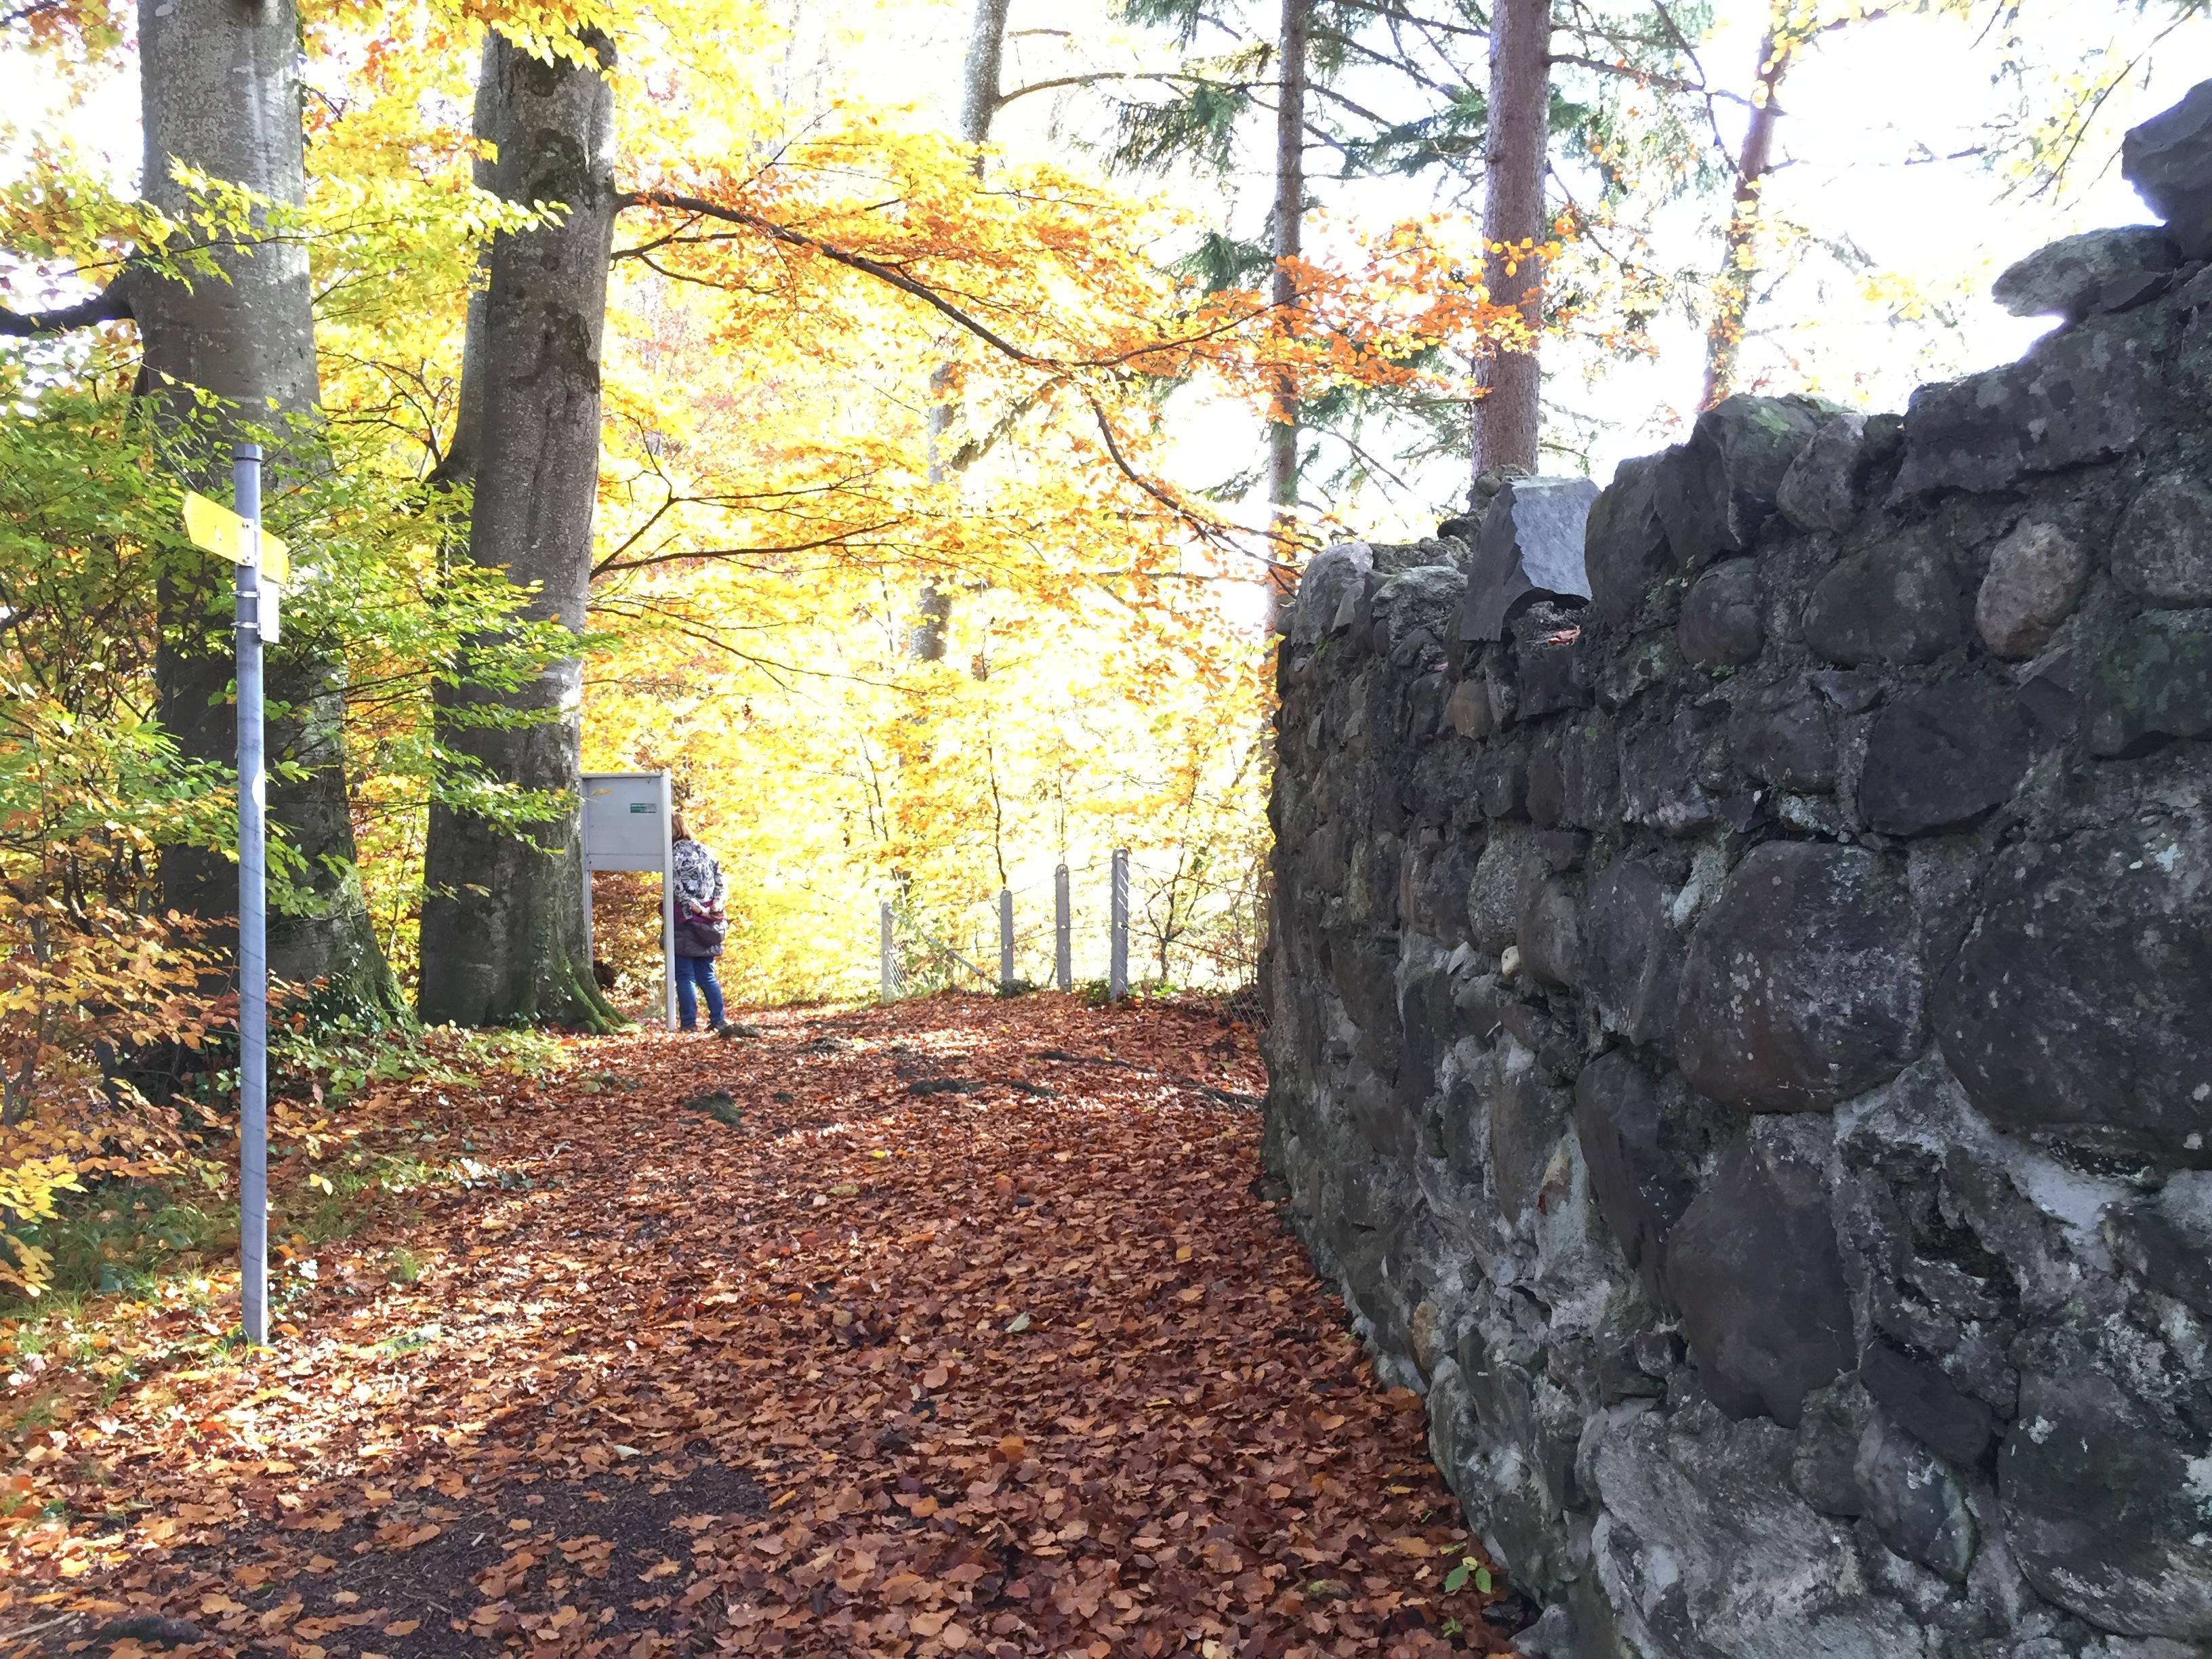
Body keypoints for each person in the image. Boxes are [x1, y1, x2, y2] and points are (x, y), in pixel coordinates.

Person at [670, 813, 728, 1032]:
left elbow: (676, 888)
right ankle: (718, 1020)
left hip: (685, 920)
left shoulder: (672, 854)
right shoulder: (705, 850)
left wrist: (697, 908)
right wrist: (715, 905)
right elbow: (721, 882)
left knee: (685, 975)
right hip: (708, 925)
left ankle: (689, 1024)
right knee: (707, 974)